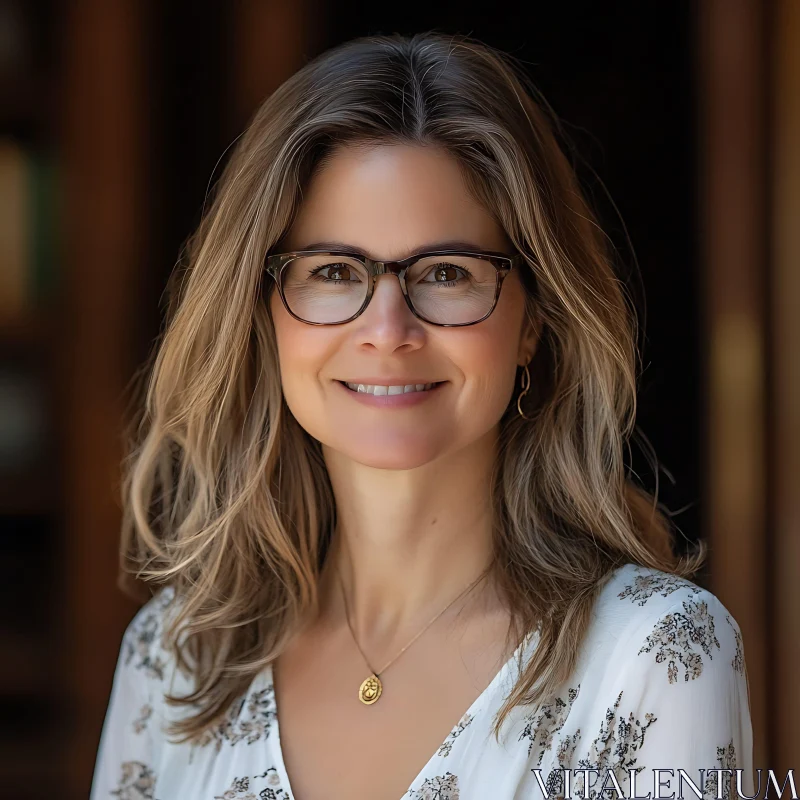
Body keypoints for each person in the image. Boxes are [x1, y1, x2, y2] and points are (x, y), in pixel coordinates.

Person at [90, 31, 753, 800]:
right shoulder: (174, 661)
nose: (388, 330)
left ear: (533, 320)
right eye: (334, 272)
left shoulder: (658, 654)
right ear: (262, 314)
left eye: (446, 273)